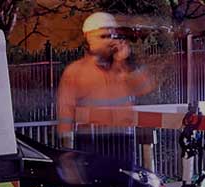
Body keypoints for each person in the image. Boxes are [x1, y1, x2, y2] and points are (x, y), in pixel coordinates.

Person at [56, 12, 156, 169]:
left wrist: (127, 63)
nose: (110, 40)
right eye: (103, 36)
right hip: (90, 142)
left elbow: (145, 88)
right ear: (89, 37)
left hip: (122, 140)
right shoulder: (75, 71)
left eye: (113, 35)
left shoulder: (123, 67)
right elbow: (65, 113)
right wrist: (67, 152)